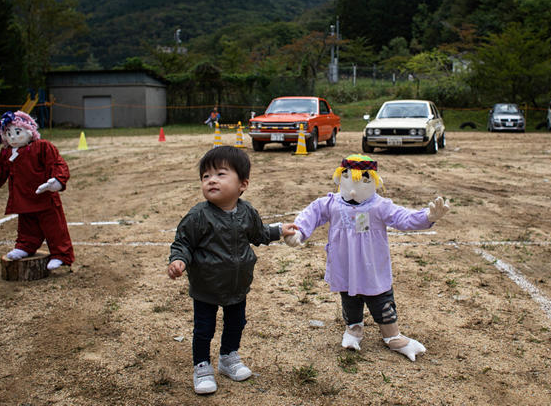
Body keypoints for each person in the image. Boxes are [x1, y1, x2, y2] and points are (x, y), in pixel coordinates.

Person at [284, 154, 449, 361]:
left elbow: (402, 217)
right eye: (349, 180)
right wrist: (299, 232)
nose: (354, 188)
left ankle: (392, 336)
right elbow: (311, 214)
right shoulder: (331, 203)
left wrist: (426, 217)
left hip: (372, 266)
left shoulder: (379, 206)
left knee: (381, 299)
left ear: (374, 181)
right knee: (349, 298)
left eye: (363, 181)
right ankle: (353, 329)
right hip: (345, 265)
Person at [167, 145, 296, 395]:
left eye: (220, 174)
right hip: (206, 286)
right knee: (204, 329)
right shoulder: (198, 216)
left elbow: (258, 234)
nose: (211, 180)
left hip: (238, 285)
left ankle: (228, 357)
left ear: (242, 184)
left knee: (236, 323)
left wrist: (279, 230)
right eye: (206, 176)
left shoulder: (247, 211)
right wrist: (179, 260)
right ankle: (202, 366)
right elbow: (183, 242)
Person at [0, 111, 74, 270]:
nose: (13, 137)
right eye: (8, 133)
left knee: (54, 227)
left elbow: (58, 164)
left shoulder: (42, 147)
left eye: (17, 132)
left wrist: (57, 180)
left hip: (44, 197)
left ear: (29, 131)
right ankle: (25, 246)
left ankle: (61, 255)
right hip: (22, 197)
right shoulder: (7, 153)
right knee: (26, 224)